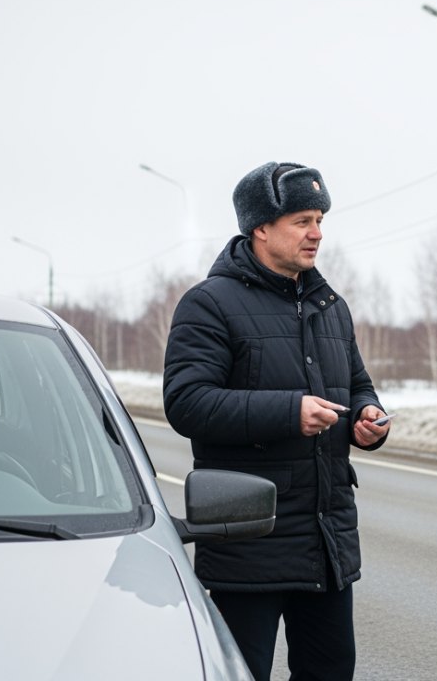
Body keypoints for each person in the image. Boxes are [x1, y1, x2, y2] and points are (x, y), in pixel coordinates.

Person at [164, 161, 391, 681]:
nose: (317, 233)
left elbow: (356, 384)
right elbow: (186, 402)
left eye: (320, 220)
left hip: (325, 537)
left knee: (330, 673)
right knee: (243, 674)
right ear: (260, 227)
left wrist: (367, 417)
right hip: (249, 540)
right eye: (302, 221)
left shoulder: (330, 305)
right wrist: (290, 412)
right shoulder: (208, 304)